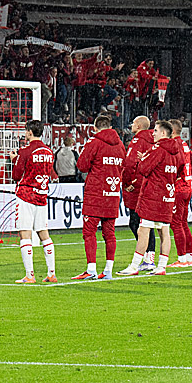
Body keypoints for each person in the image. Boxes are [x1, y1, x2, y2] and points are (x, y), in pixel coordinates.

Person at [118, 120, 179, 276]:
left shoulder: (157, 149)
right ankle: (161, 266)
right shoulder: (176, 151)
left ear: (163, 133)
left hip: (154, 196)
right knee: (164, 231)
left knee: (143, 230)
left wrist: (143, 159)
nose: (153, 134)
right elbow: (179, 171)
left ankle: (134, 265)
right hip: (168, 195)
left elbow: (144, 169)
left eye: (156, 131)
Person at [72, 114, 124, 280]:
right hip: (113, 193)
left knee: (89, 232)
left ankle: (91, 269)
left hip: (95, 193)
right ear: (110, 127)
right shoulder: (120, 145)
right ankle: (108, 270)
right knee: (109, 233)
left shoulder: (94, 142)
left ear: (95, 128)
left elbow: (82, 166)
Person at [10, 119, 57, 283]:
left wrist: (14, 160)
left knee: (25, 233)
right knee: (44, 234)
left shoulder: (25, 151)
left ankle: (30, 275)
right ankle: (52, 273)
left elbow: (16, 176)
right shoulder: (49, 152)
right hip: (42, 196)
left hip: (26, 196)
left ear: (29, 132)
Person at [121, 115, 157, 269]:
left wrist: (127, 182)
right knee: (149, 223)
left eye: (134, 123)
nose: (132, 126)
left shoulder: (138, 140)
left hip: (138, 186)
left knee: (136, 222)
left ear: (139, 126)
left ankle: (147, 258)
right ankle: (151, 257)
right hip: (152, 184)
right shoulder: (155, 140)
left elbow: (130, 163)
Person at [167, 118, 192, 268]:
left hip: (178, 189)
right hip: (187, 188)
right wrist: (187, 176)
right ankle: (188, 257)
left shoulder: (173, 145)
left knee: (176, 224)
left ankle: (181, 259)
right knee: (183, 223)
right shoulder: (184, 144)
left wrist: (178, 177)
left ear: (171, 131)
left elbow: (177, 164)